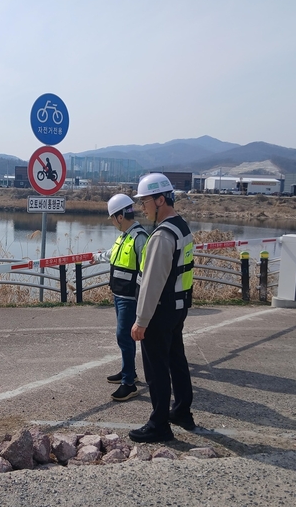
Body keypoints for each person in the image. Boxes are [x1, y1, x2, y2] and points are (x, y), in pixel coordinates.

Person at [128, 173, 196, 443]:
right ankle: (182, 411)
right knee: (176, 359)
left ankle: (159, 424)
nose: (141, 207)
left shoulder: (162, 236)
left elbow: (152, 283)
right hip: (177, 308)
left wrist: (141, 321)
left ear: (160, 200)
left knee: (156, 369)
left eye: (144, 201)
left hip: (159, 311)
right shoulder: (181, 227)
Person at [91, 194, 148, 401]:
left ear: (120, 217)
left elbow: (146, 271)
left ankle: (128, 384)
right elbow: (112, 254)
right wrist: (96, 257)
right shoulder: (125, 236)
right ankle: (128, 372)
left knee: (123, 336)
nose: (113, 223)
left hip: (130, 299)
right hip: (119, 295)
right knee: (125, 338)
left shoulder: (139, 238)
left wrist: (141, 299)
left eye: (113, 218)